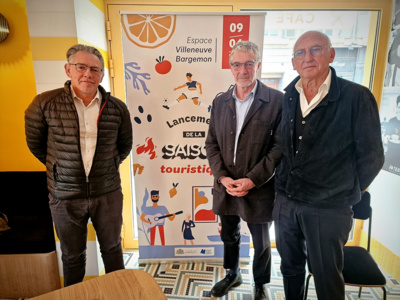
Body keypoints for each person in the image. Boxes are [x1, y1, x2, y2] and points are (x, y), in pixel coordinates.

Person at [274, 31, 384, 300]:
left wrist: (343, 191)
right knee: (290, 267)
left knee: (326, 275)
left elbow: (372, 157)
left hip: (329, 207)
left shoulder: (356, 97)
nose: (307, 57)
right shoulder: (288, 96)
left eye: (315, 49)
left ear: (331, 54)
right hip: (286, 202)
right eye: (300, 52)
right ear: (293, 62)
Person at [24, 44, 133, 287]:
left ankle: (119, 294)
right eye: (81, 67)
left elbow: (124, 146)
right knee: (72, 257)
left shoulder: (117, 108)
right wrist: (61, 169)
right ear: (68, 69)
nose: (88, 74)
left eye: (95, 69)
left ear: (102, 75)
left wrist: (107, 167)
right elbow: (37, 145)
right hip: (64, 195)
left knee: (113, 250)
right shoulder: (43, 103)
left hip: (108, 192)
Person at [205, 41, 283, 300]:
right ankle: (232, 273)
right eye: (237, 64)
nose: (243, 70)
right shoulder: (220, 102)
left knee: (261, 242)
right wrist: (222, 177)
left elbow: (278, 149)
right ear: (231, 67)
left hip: (259, 187)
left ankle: (260, 283)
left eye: (249, 63)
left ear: (258, 65)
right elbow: (211, 144)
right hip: (226, 185)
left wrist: (252, 180)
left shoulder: (276, 101)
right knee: (229, 234)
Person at [383, 95, 400, 173]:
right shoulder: (391, 121)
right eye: (399, 107)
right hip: (389, 156)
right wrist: (386, 138)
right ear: (396, 107)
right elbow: (385, 137)